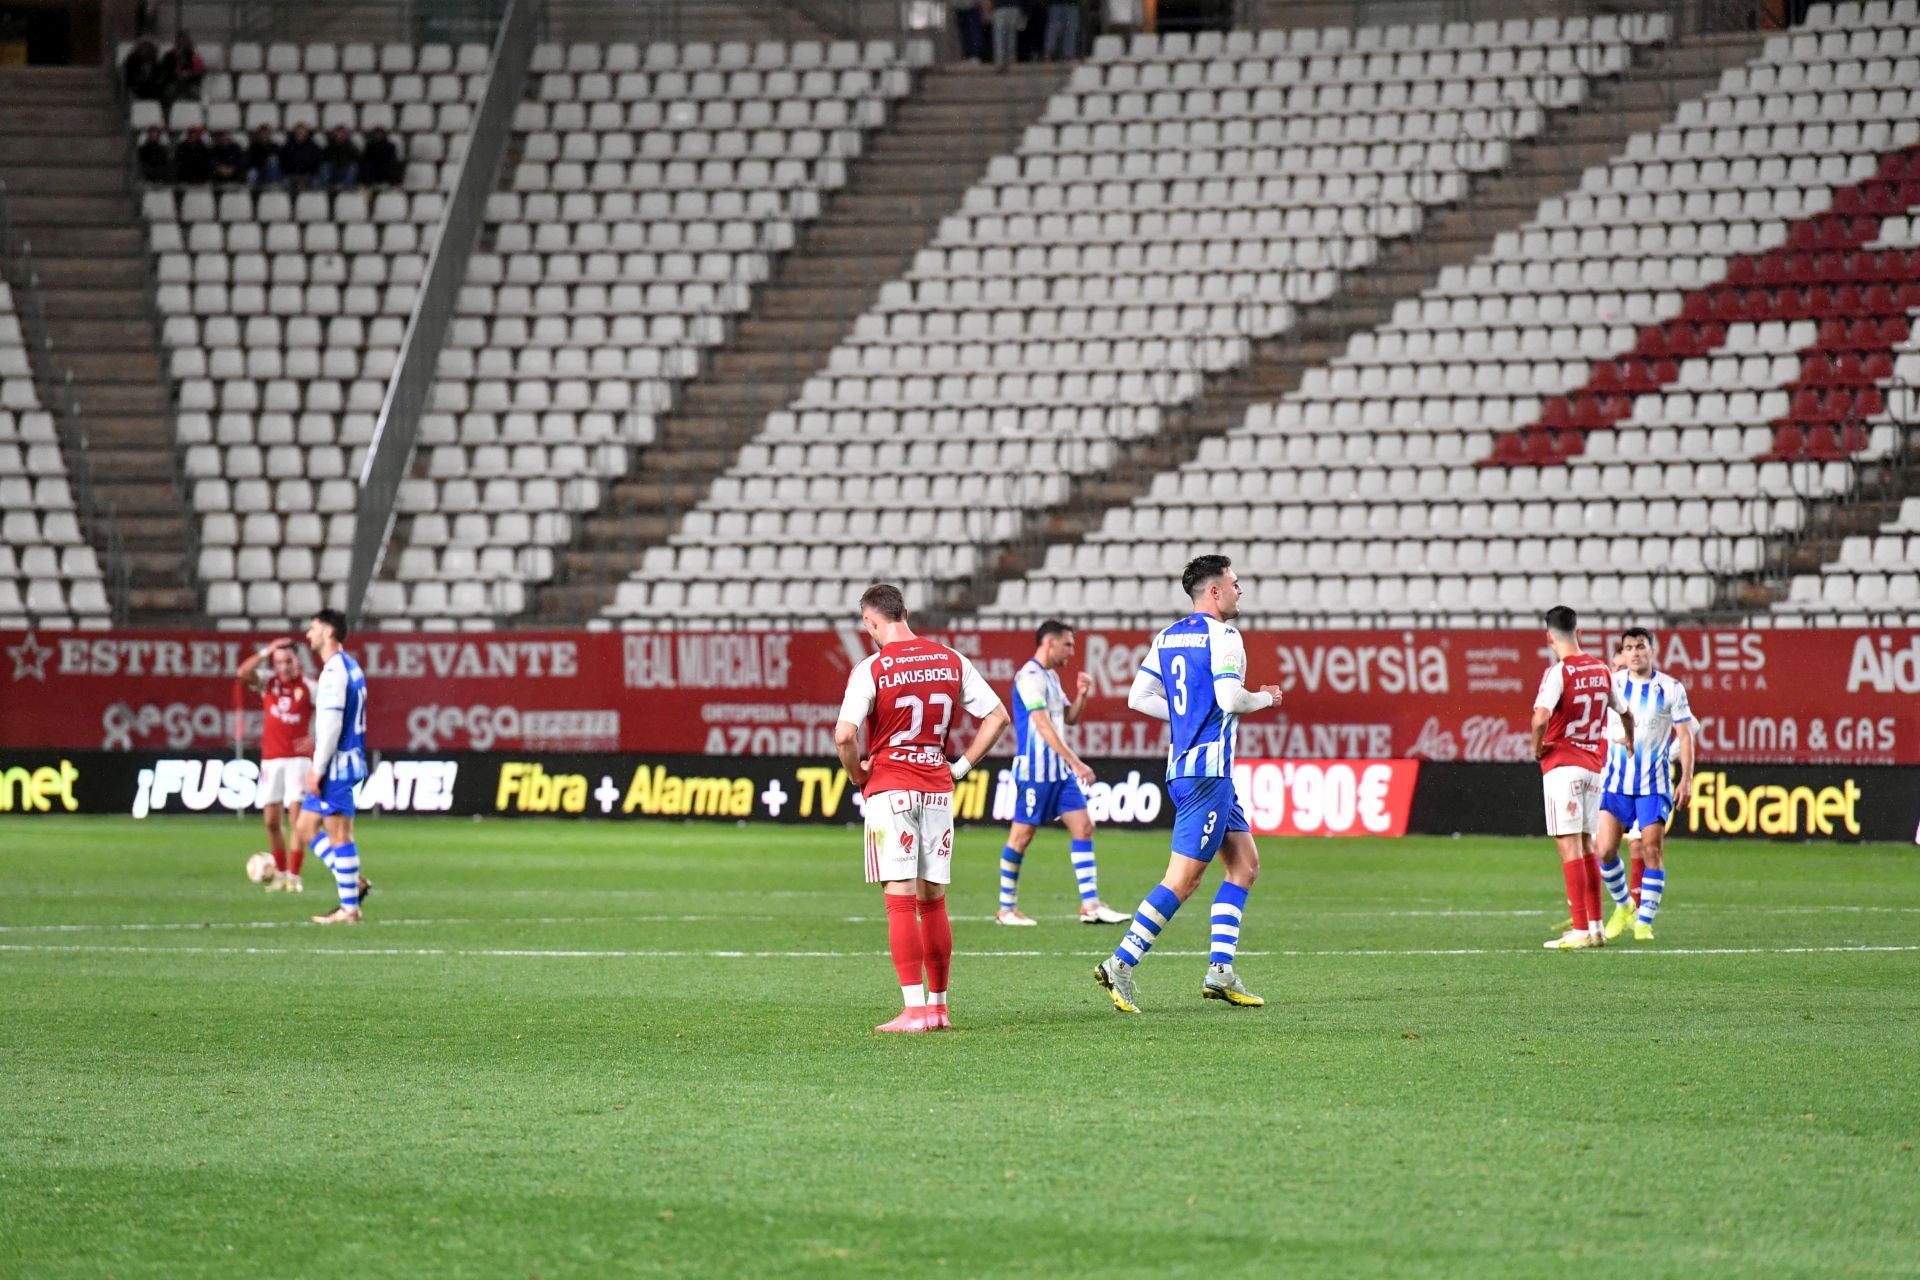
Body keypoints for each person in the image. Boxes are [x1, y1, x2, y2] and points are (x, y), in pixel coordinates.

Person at [1094, 554, 1283, 1014]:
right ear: (1214, 591)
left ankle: (1220, 972)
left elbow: (1138, 697)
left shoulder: (1168, 636)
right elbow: (1230, 697)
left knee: (1245, 866)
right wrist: (1265, 697)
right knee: (1183, 880)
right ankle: (1121, 961)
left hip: (1191, 770)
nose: (1241, 590)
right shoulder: (1226, 637)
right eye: (1236, 583)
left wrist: (1184, 718)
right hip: (1206, 776)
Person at [834, 583, 1009, 1034]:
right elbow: (997, 716)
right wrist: (963, 765)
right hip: (937, 787)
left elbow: (843, 735)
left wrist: (857, 775)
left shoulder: (871, 668)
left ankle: (912, 1010)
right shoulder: (951, 659)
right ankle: (938, 1007)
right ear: (905, 613)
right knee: (933, 901)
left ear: (872, 623)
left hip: (891, 788)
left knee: (899, 901)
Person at [995, 620, 1129, 926]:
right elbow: (1042, 726)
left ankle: (1091, 906)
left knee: (1083, 826)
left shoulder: (1051, 677)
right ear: (1049, 643)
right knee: (1021, 836)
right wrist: (1076, 762)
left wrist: (1081, 694)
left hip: (1058, 771)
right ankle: (1006, 909)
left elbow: (1068, 719)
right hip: (1035, 771)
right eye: (1068, 644)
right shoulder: (1029, 676)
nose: (1072, 650)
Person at [1532, 605, 1633, 951]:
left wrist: (1537, 748)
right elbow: (1626, 712)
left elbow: (1539, 718)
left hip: (1563, 764)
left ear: (1549, 637)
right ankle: (1595, 928)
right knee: (1588, 843)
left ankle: (1578, 928)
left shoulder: (1558, 673)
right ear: (1579, 632)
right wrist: (1630, 741)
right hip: (1594, 766)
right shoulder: (1603, 669)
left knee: (1568, 845)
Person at [1596, 627, 1695, 942]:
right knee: (1606, 850)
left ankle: (1644, 923)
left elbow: (1685, 734)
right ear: (1622, 654)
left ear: (1652, 650)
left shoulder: (1671, 688)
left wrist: (1687, 779)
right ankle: (1625, 906)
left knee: (1651, 849)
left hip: (1654, 784)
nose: (1635, 652)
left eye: (1641, 646)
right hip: (1614, 782)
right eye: (1629, 647)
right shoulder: (1612, 685)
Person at [293, 609, 372, 924]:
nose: (308, 635)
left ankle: (350, 909)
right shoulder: (351, 667)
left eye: (312, 628)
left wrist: (317, 768)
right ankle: (354, 883)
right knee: (304, 827)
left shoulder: (333, 673)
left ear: (328, 632)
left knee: (339, 835)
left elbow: (330, 725)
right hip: (346, 762)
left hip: (338, 766)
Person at [236, 637, 315, 892]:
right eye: (278, 661)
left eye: (288, 661)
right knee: (271, 821)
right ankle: (280, 874)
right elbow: (242, 672)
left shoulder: (310, 687)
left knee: (296, 820)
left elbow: (332, 716)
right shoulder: (268, 683)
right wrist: (265, 650)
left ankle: (294, 876)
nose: (283, 666)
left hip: (299, 762)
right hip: (271, 759)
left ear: (297, 661)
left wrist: (315, 739)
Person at [157, 31, 205, 106]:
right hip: (174, 83)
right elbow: (165, 71)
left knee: (195, 94)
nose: (183, 43)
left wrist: (189, 74)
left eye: (184, 40)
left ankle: (193, 113)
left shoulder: (193, 56)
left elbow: (199, 71)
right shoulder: (169, 56)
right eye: (181, 40)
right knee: (168, 93)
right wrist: (175, 74)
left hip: (188, 83)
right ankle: (167, 115)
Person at [278, 123, 323, 191]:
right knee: (285, 182)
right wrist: (295, 176)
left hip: (309, 176)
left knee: (315, 182)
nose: (300, 133)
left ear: (307, 133)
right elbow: (284, 163)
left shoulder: (313, 147)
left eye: (302, 132)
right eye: (298, 131)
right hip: (292, 175)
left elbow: (317, 163)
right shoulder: (287, 146)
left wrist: (308, 175)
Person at [317, 124, 361, 189]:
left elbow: (357, 160)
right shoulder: (329, 146)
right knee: (325, 166)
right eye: (338, 133)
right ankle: (326, 186)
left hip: (344, 171)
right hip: (332, 171)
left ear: (346, 135)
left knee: (353, 167)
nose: (340, 135)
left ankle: (346, 187)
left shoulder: (351, 147)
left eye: (342, 133)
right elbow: (324, 159)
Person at [988, 0, 1024, 70]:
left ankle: (1000, 61)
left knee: (1000, 37)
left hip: (1001, 7)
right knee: (1010, 36)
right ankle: (1010, 60)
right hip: (1013, 7)